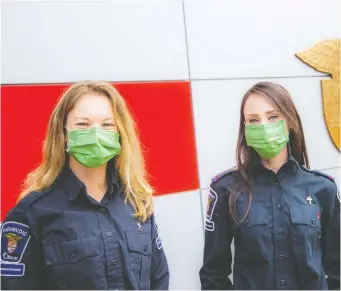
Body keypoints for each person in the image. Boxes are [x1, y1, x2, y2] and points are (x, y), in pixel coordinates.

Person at [1, 82, 169, 290]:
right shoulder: (30, 214)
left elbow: (159, 280)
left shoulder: (137, 203)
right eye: (83, 124)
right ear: (62, 134)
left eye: (107, 124)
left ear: (119, 133)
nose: (96, 134)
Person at [199, 82, 340, 290]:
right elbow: (213, 275)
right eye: (253, 120)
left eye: (273, 117)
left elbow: (337, 268)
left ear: (289, 122)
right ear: (245, 129)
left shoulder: (323, 188)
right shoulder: (225, 189)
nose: (264, 126)